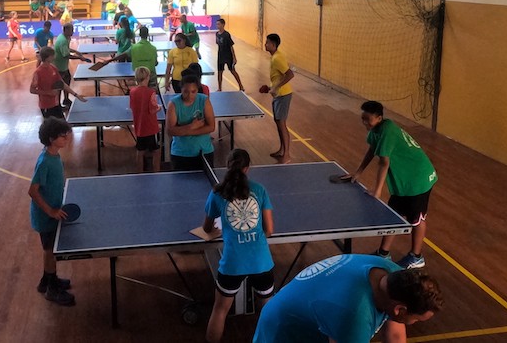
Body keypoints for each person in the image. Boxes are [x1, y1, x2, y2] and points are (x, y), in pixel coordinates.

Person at [252, 254, 443, 343]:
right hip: (281, 332)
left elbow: (394, 335)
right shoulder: (353, 317)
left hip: (313, 316)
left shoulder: (395, 278)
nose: (415, 323)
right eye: (417, 319)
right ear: (399, 309)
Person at [339, 101, 439, 269]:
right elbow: (372, 150)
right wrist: (358, 172)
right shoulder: (375, 130)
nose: (364, 122)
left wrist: (377, 191)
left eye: (367, 119)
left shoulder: (388, 131)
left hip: (418, 179)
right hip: (403, 180)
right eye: (362, 118)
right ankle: (383, 253)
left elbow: (384, 163)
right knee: (393, 216)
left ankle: (416, 256)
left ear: (379, 118)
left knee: (416, 219)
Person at [203, 149, 274, 343]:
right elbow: (269, 229)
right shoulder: (259, 190)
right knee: (268, 312)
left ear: (228, 166)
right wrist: (252, 236)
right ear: (247, 168)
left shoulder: (217, 192)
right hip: (261, 261)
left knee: (219, 310)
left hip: (233, 263)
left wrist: (228, 231)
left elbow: (207, 228)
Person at [28, 116, 76, 306]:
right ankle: (51, 290)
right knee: (50, 251)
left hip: (54, 209)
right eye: (62, 136)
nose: (67, 138)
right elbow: (32, 190)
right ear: (51, 139)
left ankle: (47, 280)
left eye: (66, 134)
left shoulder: (54, 155)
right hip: (45, 216)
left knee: (50, 250)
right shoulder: (45, 162)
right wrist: (50, 211)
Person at [166, 74, 215, 171]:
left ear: (197, 89)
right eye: (186, 92)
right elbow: (171, 131)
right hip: (180, 153)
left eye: (193, 92)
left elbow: (211, 127)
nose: (190, 95)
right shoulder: (173, 104)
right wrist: (192, 126)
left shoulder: (204, 100)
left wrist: (186, 131)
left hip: (204, 151)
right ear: (181, 89)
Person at [261, 33, 294, 164]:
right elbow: (278, 77)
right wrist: (270, 87)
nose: (265, 44)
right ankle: (281, 150)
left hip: (283, 95)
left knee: (282, 124)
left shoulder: (277, 58)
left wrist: (276, 87)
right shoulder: (275, 56)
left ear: (273, 45)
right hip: (278, 94)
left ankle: (286, 155)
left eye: (267, 42)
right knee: (278, 123)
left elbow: (290, 74)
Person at [30, 47, 86, 119]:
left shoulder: (53, 68)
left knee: (63, 127)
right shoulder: (38, 73)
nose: (55, 56)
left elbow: (63, 84)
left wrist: (76, 95)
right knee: (52, 129)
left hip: (56, 104)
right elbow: (32, 90)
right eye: (53, 55)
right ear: (48, 58)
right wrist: (48, 93)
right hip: (46, 106)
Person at [129, 67, 161, 172]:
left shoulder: (132, 92)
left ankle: (139, 172)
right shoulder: (151, 92)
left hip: (139, 127)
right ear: (147, 77)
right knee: (156, 151)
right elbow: (153, 110)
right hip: (151, 127)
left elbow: (132, 106)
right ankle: (157, 171)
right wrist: (159, 108)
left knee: (140, 150)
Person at [53, 23, 89, 110]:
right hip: (58, 67)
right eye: (71, 30)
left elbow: (66, 49)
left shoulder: (66, 38)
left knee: (67, 83)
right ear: (66, 30)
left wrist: (76, 51)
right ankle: (57, 105)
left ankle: (66, 99)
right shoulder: (62, 40)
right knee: (59, 87)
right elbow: (66, 55)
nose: (73, 32)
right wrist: (80, 58)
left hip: (64, 66)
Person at [215, 18, 244, 91]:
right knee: (219, 72)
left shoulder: (226, 35)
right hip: (220, 56)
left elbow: (231, 46)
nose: (217, 25)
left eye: (219, 24)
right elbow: (218, 43)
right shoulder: (217, 34)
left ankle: (241, 86)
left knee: (232, 71)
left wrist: (234, 57)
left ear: (223, 25)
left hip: (228, 56)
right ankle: (219, 88)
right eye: (217, 24)